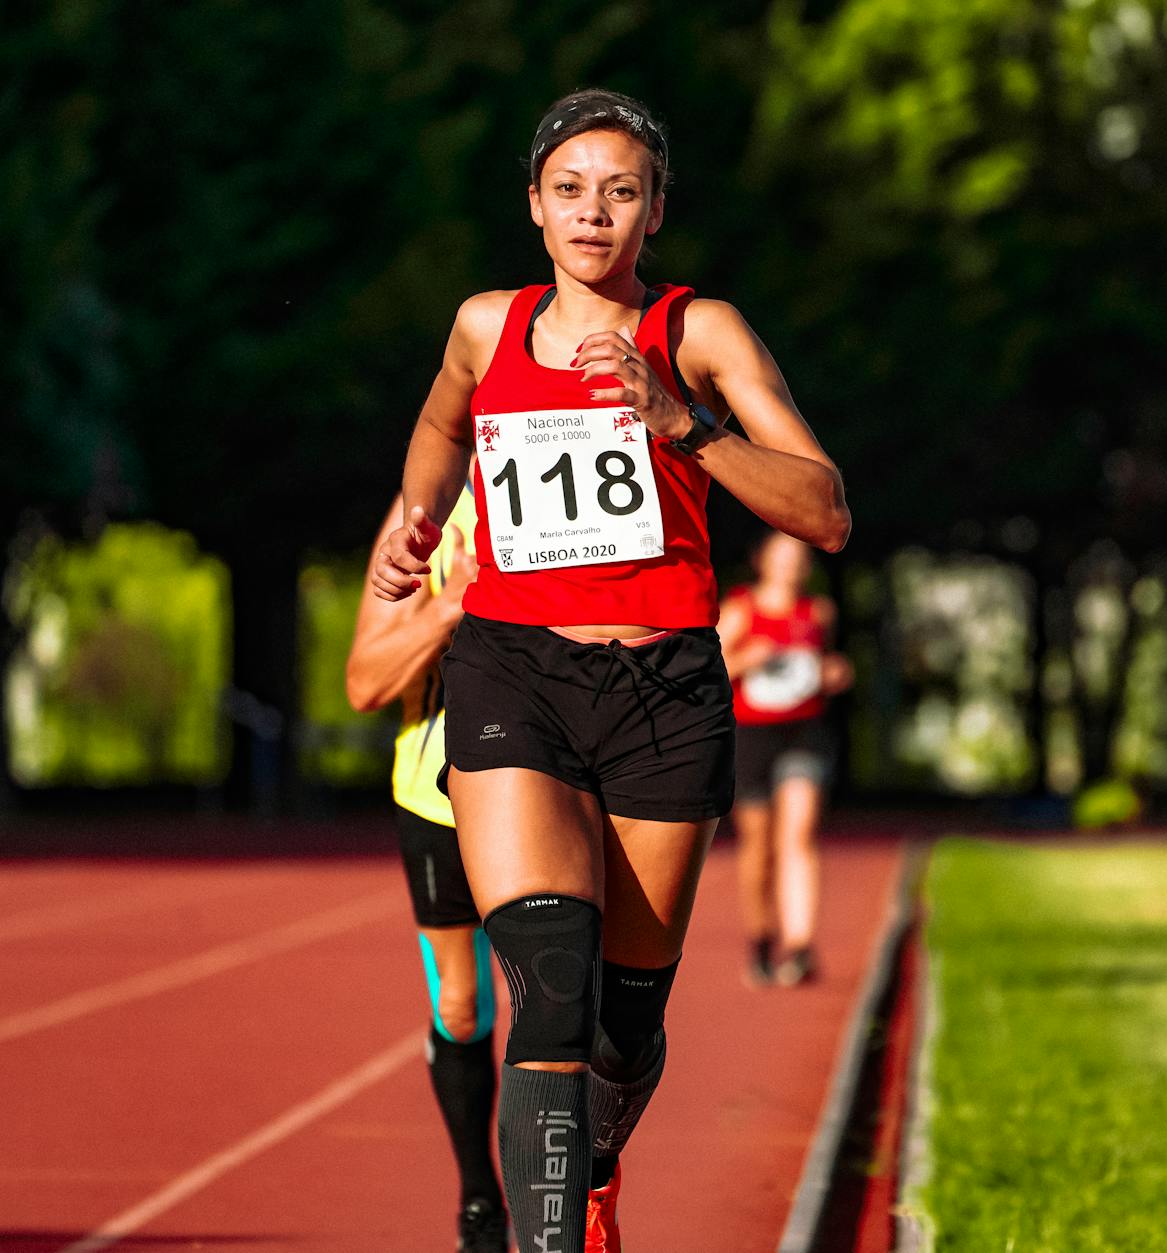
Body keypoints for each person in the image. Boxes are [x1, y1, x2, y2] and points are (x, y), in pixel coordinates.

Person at [370, 87, 849, 1252]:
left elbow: (823, 510)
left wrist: (681, 422)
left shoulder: (701, 331)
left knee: (625, 1024)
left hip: (664, 691)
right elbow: (441, 423)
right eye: (571, 189)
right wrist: (416, 516)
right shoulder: (485, 324)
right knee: (549, 971)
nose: (594, 212)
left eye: (620, 191)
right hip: (513, 672)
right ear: (534, 205)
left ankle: (584, 1170)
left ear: (655, 211)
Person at [345, 486, 508, 1253]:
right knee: (466, 1007)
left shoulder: (588, 471)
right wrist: (449, 606)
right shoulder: (423, 512)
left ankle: (580, 1197)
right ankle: (481, 1201)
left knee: (570, 996)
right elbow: (364, 682)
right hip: (437, 793)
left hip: (564, 782)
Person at [719, 531, 854, 988]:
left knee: (799, 833)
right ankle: (761, 938)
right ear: (762, 561)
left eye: (800, 558)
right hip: (751, 734)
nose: (793, 565)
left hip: (804, 730)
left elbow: (822, 664)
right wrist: (744, 659)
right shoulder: (739, 610)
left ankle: (799, 946)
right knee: (758, 847)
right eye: (784, 556)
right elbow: (708, 669)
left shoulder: (818, 612)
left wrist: (833, 673)